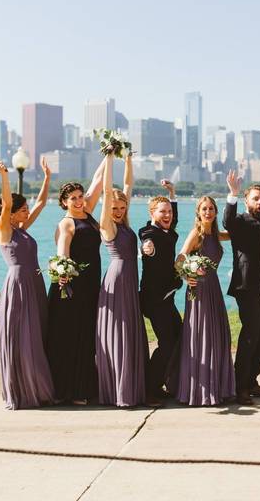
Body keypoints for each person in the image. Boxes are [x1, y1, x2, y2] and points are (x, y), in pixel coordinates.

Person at [0, 158, 54, 410]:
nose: (27, 212)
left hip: (35, 282)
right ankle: (23, 390)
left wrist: (47, 178)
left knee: (37, 333)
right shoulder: (4, 229)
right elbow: (7, 203)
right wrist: (4, 176)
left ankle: (38, 386)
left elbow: (41, 204)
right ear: (11, 212)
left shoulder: (23, 229)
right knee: (23, 335)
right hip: (18, 284)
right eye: (23, 209)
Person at [47, 157, 106, 405]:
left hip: (91, 285)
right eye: (73, 198)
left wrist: (109, 153)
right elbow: (62, 254)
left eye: (81, 196)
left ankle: (85, 386)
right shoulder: (67, 224)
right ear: (64, 202)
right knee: (72, 338)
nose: (80, 200)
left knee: (88, 336)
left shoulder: (88, 213)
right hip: (71, 287)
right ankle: (71, 391)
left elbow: (98, 180)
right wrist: (64, 274)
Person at [96, 153, 147, 407]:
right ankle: (121, 392)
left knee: (130, 332)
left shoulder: (124, 223)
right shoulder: (107, 225)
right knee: (120, 332)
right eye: (113, 207)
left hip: (129, 279)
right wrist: (108, 159)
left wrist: (127, 161)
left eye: (121, 207)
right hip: (117, 280)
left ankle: (131, 389)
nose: (117, 211)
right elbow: (108, 190)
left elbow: (127, 186)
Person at [176, 196, 236, 406]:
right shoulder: (197, 234)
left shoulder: (218, 235)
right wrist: (187, 276)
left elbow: (239, 233)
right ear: (198, 212)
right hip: (198, 289)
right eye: (204, 209)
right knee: (201, 336)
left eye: (211, 209)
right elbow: (180, 257)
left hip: (214, 289)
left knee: (217, 336)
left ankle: (218, 387)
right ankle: (200, 390)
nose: (208, 212)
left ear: (216, 212)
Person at [223, 170, 260, 405]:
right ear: (247, 201)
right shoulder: (240, 221)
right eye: (256, 198)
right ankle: (240, 386)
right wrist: (232, 194)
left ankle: (252, 380)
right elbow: (227, 222)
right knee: (250, 335)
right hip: (247, 287)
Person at [139, 180, 183, 403]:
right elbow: (146, 241)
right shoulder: (150, 233)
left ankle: (159, 383)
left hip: (167, 299)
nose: (167, 215)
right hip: (155, 300)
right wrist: (146, 248)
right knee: (167, 343)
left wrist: (172, 194)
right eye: (162, 212)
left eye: (169, 212)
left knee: (178, 338)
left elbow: (173, 218)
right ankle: (148, 388)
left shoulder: (168, 230)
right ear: (152, 213)